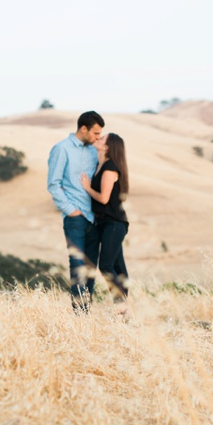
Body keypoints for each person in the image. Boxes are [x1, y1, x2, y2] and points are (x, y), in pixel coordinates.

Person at [47, 111, 105, 313]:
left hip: (95, 219)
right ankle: (79, 315)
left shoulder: (93, 151)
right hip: (75, 219)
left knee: (91, 269)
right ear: (83, 128)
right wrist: (72, 211)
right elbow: (53, 184)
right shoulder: (61, 149)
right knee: (77, 266)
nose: (98, 137)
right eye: (96, 133)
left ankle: (86, 314)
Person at [80, 132, 130, 311]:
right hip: (105, 223)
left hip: (114, 223)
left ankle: (121, 305)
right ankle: (124, 313)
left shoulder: (109, 168)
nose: (98, 138)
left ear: (107, 147)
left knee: (106, 265)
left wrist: (87, 188)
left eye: (102, 139)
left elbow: (103, 198)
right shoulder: (100, 164)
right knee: (118, 267)